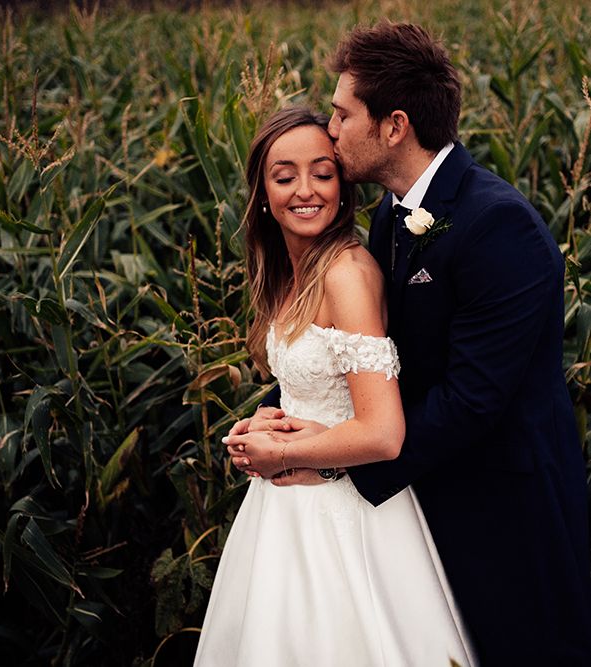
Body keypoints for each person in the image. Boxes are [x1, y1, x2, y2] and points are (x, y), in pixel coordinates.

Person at [226, 22, 591, 666]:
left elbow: (473, 399)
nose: (331, 131)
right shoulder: (393, 214)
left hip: (503, 512)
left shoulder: (498, 225)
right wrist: (292, 423)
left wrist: (332, 461)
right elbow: (372, 360)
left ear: (393, 126)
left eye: (342, 115)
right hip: (421, 494)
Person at [194, 106, 477, 666]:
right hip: (285, 508)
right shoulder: (293, 269)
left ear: (344, 186)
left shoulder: (346, 275)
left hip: (344, 513)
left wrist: (283, 451)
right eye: (285, 176)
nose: (306, 190)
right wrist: (261, 426)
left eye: (323, 173)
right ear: (261, 190)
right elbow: (313, 389)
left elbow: (383, 433)